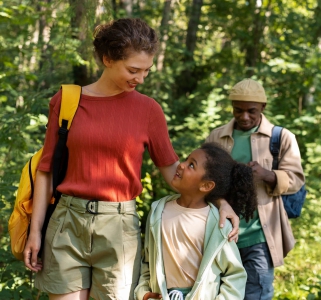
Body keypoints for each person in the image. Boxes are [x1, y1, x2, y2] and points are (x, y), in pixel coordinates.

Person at [23, 18, 238, 300]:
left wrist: (220, 201)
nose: (141, 78)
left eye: (146, 70)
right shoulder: (66, 100)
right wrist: (35, 231)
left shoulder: (149, 110)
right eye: (133, 70)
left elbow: (174, 171)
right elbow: (46, 170)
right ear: (107, 59)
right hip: (66, 223)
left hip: (119, 228)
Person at [206, 78, 305, 300]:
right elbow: (204, 178)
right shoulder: (217, 137)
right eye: (237, 110)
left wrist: (267, 175)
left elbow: (296, 179)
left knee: (257, 293)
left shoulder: (281, 138)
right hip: (223, 233)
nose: (244, 117)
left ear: (263, 107)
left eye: (251, 111)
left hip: (259, 235)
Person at [135, 142, 257, 300]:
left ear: (206, 185)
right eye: (186, 160)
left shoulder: (218, 224)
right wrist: (143, 292)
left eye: (191, 165)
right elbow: (148, 261)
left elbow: (235, 275)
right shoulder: (158, 211)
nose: (181, 165)